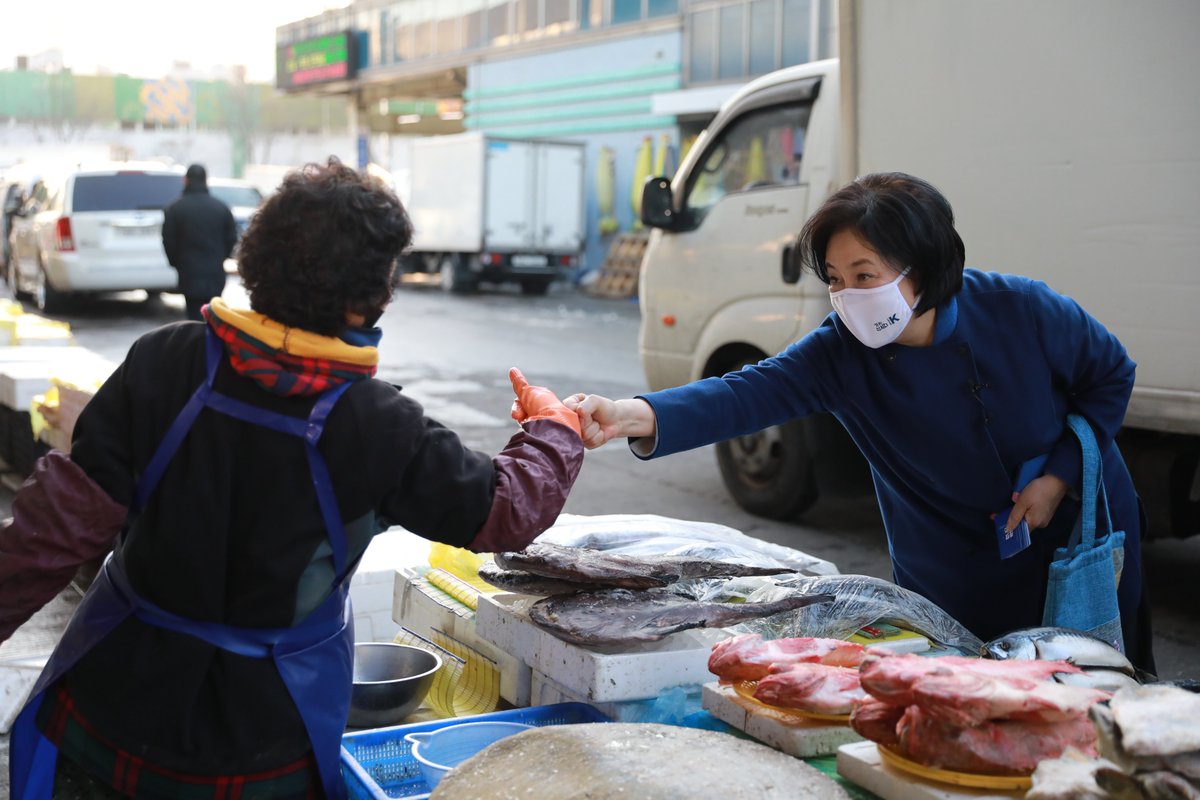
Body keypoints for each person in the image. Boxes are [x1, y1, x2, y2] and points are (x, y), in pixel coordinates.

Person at [0, 157, 584, 799]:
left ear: (254, 259)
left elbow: (45, 537)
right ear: (373, 295)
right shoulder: (380, 426)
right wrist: (553, 428)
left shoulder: (165, 360)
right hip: (260, 754)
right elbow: (508, 508)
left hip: (106, 721)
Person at [566, 172, 1154, 673]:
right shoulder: (838, 352)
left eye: (865, 275)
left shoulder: (1022, 308)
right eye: (835, 279)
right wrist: (625, 415)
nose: (848, 296)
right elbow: (741, 394)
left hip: (1074, 533)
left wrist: (1056, 477)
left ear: (921, 268)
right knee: (966, 695)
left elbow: (1110, 375)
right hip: (948, 557)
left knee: (1094, 686)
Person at [162, 163, 238, 321]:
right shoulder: (221, 208)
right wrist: (220, 257)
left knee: (193, 317)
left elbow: (169, 241)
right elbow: (231, 239)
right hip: (214, 273)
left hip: (188, 272)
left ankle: (196, 345)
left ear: (186, 181)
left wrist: (177, 263)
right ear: (205, 180)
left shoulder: (175, 209)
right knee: (213, 317)